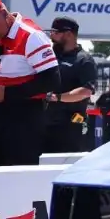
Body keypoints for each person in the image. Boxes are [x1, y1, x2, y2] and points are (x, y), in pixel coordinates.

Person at [0, 0, 60, 167]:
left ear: (4, 14)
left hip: (23, 116)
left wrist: (7, 94)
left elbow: (52, 80)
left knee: (17, 173)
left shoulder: (31, 36)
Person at [42, 17, 98, 153]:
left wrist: (58, 97)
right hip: (45, 124)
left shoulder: (84, 60)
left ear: (68, 34)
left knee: (65, 166)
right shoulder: (51, 55)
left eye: (55, 32)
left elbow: (86, 91)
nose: (51, 36)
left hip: (70, 126)